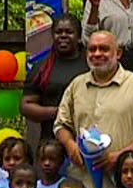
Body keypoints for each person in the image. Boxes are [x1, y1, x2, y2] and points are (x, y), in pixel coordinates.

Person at [54, 30, 133, 188]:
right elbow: (61, 124)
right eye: (92, 49)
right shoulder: (77, 85)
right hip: (82, 184)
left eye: (104, 49)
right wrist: (71, 146)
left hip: (122, 186)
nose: (97, 54)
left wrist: (120, 157)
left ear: (118, 53)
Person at [22, 14, 87, 146]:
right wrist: (58, 112)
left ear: (79, 36)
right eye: (58, 32)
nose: (63, 36)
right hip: (51, 145)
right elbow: (26, 106)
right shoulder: (41, 68)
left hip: (86, 141)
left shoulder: (90, 65)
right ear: (52, 36)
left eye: (69, 32)